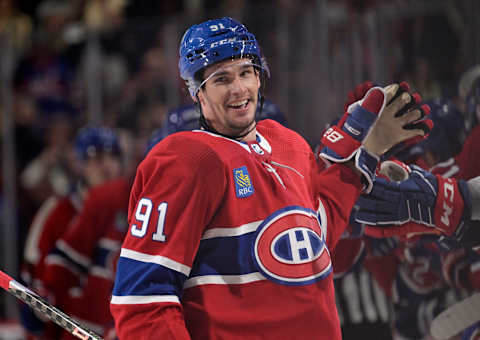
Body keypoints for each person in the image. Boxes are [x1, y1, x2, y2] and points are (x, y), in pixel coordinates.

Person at [110, 17, 428, 339]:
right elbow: (143, 299)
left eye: (246, 73)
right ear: (198, 93)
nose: (239, 89)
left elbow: (312, 242)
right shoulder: (185, 160)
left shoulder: (289, 144)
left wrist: (361, 160)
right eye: (221, 79)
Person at [19, 125, 123, 339]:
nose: (106, 167)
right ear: (79, 165)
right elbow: (34, 278)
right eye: (97, 159)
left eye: (112, 157)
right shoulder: (57, 212)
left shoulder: (131, 214)